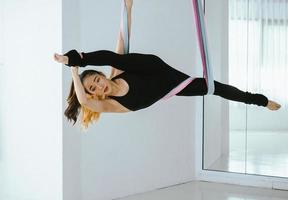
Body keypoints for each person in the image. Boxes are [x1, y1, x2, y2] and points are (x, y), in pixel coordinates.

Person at [54, 0, 281, 128]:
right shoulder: (110, 105)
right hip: (171, 84)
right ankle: (262, 101)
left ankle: (79, 56)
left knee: (118, 58)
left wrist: (129, 8)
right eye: (94, 89)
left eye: (96, 80)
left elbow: (123, 37)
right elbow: (82, 100)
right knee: (215, 88)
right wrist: (74, 70)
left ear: (101, 75)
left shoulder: (115, 72)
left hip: (151, 67)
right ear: (94, 95)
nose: (99, 86)